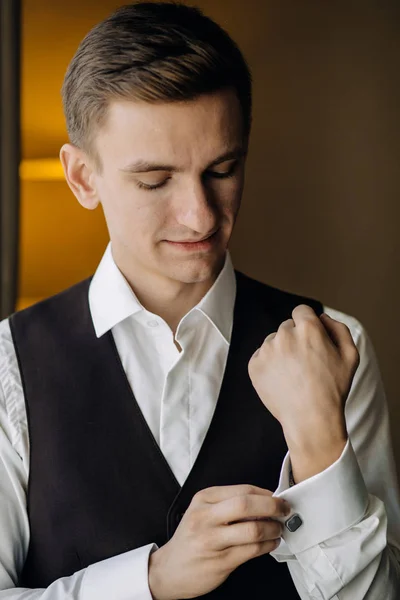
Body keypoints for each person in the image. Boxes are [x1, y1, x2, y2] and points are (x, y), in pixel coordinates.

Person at [0, 2, 399, 598]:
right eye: (154, 180)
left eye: (222, 169)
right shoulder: (9, 362)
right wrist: (152, 577)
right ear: (83, 177)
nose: (200, 215)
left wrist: (318, 438)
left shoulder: (337, 344)